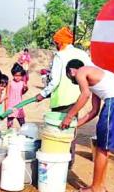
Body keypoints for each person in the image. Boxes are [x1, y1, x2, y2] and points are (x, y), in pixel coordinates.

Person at [60, 60, 114, 192]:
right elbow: (94, 111)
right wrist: (75, 125)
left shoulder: (81, 71)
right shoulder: (96, 81)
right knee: (103, 149)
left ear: (71, 71)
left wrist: (69, 116)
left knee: (101, 149)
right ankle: (100, 187)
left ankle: (94, 191)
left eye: (70, 76)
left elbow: (84, 95)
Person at [36, 27, 93, 166]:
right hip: (78, 99)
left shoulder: (59, 56)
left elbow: (54, 81)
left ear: (60, 43)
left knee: (59, 131)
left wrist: (43, 94)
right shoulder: (83, 54)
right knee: (70, 130)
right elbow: (91, 71)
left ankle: (58, 163)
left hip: (62, 100)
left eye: (56, 43)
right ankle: (68, 162)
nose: (56, 45)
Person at [5, 63, 27, 128]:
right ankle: (9, 136)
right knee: (9, 125)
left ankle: (24, 136)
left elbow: (22, 93)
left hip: (19, 106)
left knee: (23, 124)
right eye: (16, 75)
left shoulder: (22, 83)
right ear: (13, 75)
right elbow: (7, 95)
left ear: (22, 76)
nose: (17, 77)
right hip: (11, 106)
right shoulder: (10, 83)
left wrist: (26, 88)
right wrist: (6, 109)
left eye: (20, 76)